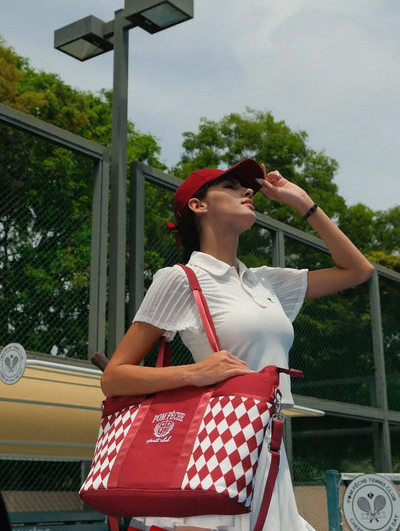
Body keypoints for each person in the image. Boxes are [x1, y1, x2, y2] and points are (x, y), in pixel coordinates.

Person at [101, 158, 374, 531]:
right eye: (230, 187)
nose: (247, 191)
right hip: (213, 449)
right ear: (199, 206)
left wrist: (303, 203)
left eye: (246, 187)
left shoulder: (266, 281)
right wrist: (196, 372)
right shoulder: (180, 279)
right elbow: (114, 377)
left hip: (267, 446)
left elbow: (359, 271)